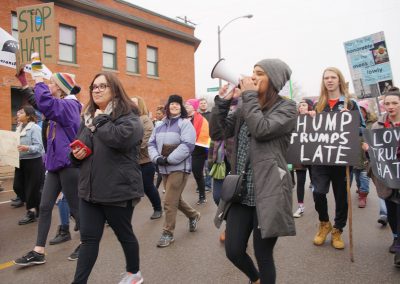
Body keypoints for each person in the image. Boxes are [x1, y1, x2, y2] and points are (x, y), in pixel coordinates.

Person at [210, 59, 297, 284]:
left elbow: (261, 129)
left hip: (269, 192)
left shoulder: (287, 108)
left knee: (263, 254)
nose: (253, 77)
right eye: (252, 72)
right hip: (242, 192)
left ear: (274, 79)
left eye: (260, 73)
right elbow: (218, 133)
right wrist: (222, 103)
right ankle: (255, 279)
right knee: (233, 250)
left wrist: (247, 96)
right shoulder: (244, 108)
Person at [70, 72, 145, 283]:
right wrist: (76, 154)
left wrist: (99, 120)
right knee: (89, 240)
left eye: (103, 86)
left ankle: (134, 274)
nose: (97, 90)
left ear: (115, 90)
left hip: (117, 191)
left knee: (124, 235)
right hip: (90, 191)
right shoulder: (88, 119)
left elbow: (119, 139)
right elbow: (80, 144)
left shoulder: (129, 116)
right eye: (94, 86)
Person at [14, 54, 82, 266]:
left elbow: (44, 102)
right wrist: (25, 80)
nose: (48, 83)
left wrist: (38, 77)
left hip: (69, 165)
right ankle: (39, 250)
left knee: (76, 208)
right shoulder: (58, 105)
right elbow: (39, 102)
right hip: (53, 165)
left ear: (61, 89)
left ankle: (88, 241)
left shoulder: (70, 107)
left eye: (52, 82)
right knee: (44, 206)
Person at [309, 67, 365, 250]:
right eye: (326, 78)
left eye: (333, 77)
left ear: (339, 80)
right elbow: (311, 132)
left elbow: (362, 130)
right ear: (323, 81)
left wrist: (351, 121)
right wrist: (310, 120)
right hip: (321, 158)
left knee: (342, 196)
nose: (330, 80)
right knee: (318, 192)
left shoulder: (351, 104)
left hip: (342, 159)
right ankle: (324, 223)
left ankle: (338, 229)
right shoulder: (319, 105)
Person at [148, 94, 201, 248]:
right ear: (168, 106)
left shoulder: (185, 124)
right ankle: (193, 215)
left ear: (181, 107)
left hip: (179, 167)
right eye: (172, 104)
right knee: (175, 199)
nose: (174, 106)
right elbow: (150, 143)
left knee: (169, 201)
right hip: (163, 168)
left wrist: (169, 159)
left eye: (177, 104)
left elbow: (188, 145)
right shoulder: (159, 125)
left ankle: (167, 233)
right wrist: (157, 158)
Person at [363, 87, 400, 268]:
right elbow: (374, 156)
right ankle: (396, 238)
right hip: (387, 177)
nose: (390, 107)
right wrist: (368, 150)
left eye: (394, 103)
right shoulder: (377, 127)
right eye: (387, 103)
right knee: (392, 209)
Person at [132, 96, 163, 220]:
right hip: (131, 161)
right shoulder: (128, 119)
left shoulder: (145, 120)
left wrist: (129, 148)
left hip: (145, 161)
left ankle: (158, 208)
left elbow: (146, 140)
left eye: (134, 102)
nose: (131, 104)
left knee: (148, 186)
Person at [14, 105, 45, 225]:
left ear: (28, 115)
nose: (18, 114)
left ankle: (31, 212)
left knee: (31, 189)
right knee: (17, 186)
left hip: (33, 161)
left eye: (21, 112)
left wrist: (27, 148)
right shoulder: (19, 127)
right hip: (20, 161)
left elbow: (39, 147)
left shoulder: (35, 128)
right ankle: (37, 204)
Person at [185, 98, 211, 204]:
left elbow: (204, 135)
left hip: (198, 150)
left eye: (189, 104)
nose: (186, 106)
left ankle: (202, 195)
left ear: (194, 107)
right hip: (184, 149)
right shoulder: (182, 118)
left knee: (197, 173)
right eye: (185, 104)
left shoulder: (200, 119)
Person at [352, 99, 376, 208]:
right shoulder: (350, 123)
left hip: (367, 156)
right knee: (357, 177)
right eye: (358, 111)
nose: (360, 113)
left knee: (364, 176)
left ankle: (363, 196)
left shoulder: (372, 124)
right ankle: (360, 189)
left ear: (366, 112)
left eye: (362, 110)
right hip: (355, 155)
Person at [293, 99, 314, 218]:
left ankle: (319, 203)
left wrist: (314, 117)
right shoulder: (294, 120)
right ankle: (300, 207)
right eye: (300, 105)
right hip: (299, 155)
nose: (301, 107)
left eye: (304, 105)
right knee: (300, 182)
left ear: (309, 107)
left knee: (315, 181)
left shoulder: (314, 118)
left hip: (312, 154)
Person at [199, 98, 212, 190]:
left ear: (207, 105)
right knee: (199, 166)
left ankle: (207, 184)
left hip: (208, 142)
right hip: (198, 143)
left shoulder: (211, 115)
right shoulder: (197, 116)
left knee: (207, 165)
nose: (203, 104)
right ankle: (200, 185)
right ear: (199, 105)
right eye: (201, 103)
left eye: (204, 103)